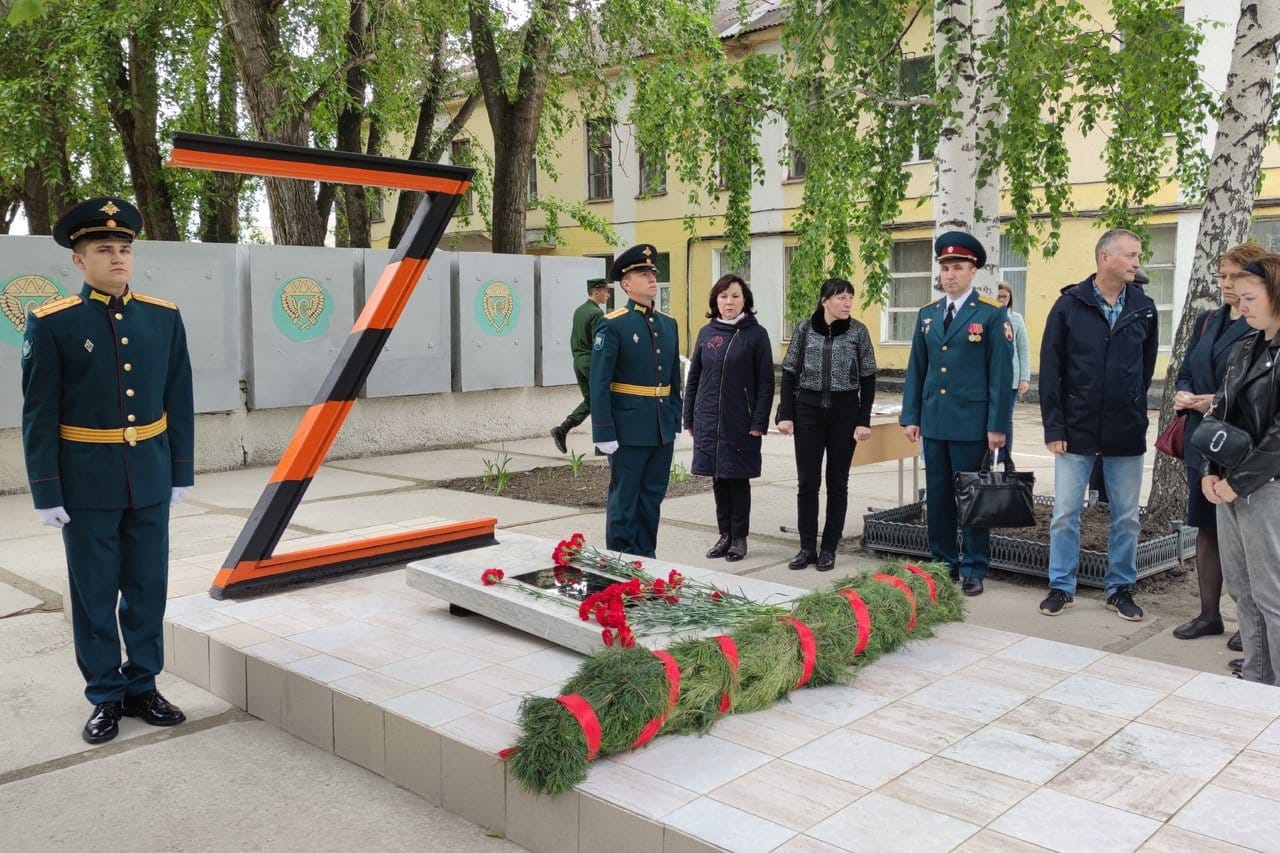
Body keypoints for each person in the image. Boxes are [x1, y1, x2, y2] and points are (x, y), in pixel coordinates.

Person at [20, 197, 195, 744]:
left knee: (147, 586)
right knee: (95, 591)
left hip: (148, 473)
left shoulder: (163, 317)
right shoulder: (54, 323)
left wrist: (179, 473)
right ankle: (105, 694)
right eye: (104, 249)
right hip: (86, 482)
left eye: (124, 248)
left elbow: (179, 398)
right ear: (79, 260)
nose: (118, 257)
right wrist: (46, 490)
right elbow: (39, 412)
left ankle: (143, 684)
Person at [1038, 228, 1158, 621]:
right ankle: (1061, 586)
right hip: (1076, 429)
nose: (1137, 263)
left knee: (1125, 516)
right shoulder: (1068, 306)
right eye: (1131, 255)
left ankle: (1120, 587)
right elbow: (1050, 372)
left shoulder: (1144, 308)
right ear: (1105, 258)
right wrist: (1054, 428)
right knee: (1065, 513)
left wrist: (1135, 409)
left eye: (1138, 256)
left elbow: (1145, 370)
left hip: (1125, 429)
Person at [900, 233, 1012, 596]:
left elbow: (1000, 374)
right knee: (938, 495)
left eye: (958, 268)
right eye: (945, 268)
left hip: (971, 423)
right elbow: (917, 368)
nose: (950, 274)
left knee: (972, 498)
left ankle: (975, 566)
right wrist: (911, 416)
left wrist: (997, 425)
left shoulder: (991, 314)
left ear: (973, 270)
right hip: (934, 421)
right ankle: (941, 562)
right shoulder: (928, 315)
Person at [1171, 243, 1264, 650]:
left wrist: (1216, 400)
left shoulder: (1260, 322)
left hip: (1241, 442)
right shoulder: (1208, 319)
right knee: (1206, 528)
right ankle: (1209, 615)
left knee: (1247, 537)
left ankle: (1251, 624)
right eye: (1222, 276)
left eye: (1234, 277)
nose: (1226, 284)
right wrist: (1184, 393)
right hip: (1203, 439)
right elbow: (1189, 367)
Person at [1201, 255, 1280, 686]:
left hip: (1265, 487)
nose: (1242, 307)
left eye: (1250, 298)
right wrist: (1211, 470)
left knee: (1271, 594)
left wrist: (1237, 482)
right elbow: (1222, 415)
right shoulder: (1246, 347)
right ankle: (1256, 677)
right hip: (1229, 484)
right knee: (1242, 590)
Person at [776, 278, 877, 571]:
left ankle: (829, 547)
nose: (847, 303)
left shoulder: (858, 331)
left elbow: (869, 377)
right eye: (841, 298)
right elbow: (789, 372)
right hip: (808, 412)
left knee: (837, 482)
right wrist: (786, 414)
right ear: (825, 301)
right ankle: (807, 546)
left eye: (850, 298)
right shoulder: (804, 329)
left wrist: (863, 420)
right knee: (807, 482)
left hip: (845, 413)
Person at [590, 244, 682, 558]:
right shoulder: (613, 324)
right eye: (643, 273)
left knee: (652, 496)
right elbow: (599, 383)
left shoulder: (669, 324)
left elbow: (673, 380)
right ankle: (621, 560)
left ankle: (646, 557)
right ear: (626, 284)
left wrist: (675, 420)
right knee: (625, 498)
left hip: (660, 428)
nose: (652, 277)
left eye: (653, 272)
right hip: (627, 429)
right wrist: (604, 432)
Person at [684, 275, 774, 561]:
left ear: (745, 299)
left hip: (741, 421)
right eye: (723, 297)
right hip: (709, 419)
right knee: (718, 479)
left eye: (735, 296)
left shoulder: (756, 335)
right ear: (715, 301)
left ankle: (739, 538)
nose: (729, 302)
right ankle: (724, 535)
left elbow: (766, 383)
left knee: (737, 479)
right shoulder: (707, 333)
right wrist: (689, 418)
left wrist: (759, 421)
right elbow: (694, 377)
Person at [551, 277, 611, 453]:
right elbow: (599, 343)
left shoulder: (579, 310)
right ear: (596, 292)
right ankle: (602, 444)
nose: (607, 294)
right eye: (605, 291)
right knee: (603, 400)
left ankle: (563, 429)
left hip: (578, 361)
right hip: (591, 361)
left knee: (592, 401)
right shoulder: (597, 313)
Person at [996, 282, 1030, 453]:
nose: (1002, 300)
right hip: (991, 376)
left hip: (1012, 377)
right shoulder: (987, 316)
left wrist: (1024, 378)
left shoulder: (1016, 318)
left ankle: (1004, 457)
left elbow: (1023, 348)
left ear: (1010, 300)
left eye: (1005, 297)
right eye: (999, 296)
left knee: (1006, 418)